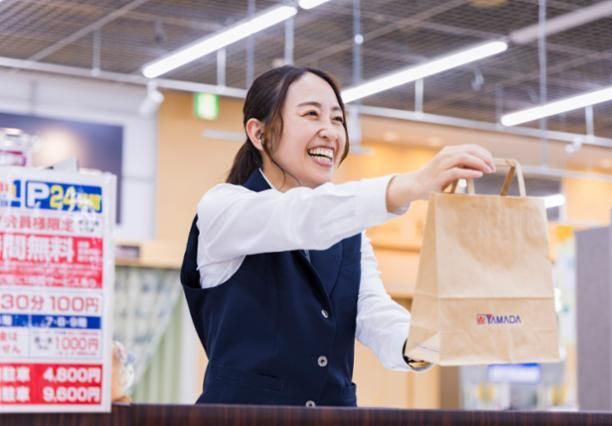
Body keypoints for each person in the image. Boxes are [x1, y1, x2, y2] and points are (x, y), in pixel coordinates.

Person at [180, 65, 495, 407]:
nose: (330, 132)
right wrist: (408, 186)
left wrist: (427, 340)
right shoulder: (223, 208)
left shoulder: (349, 232)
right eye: (311, 114)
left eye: (337, 119)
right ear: (259, 133)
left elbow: (370, 310)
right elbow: (299, 217)